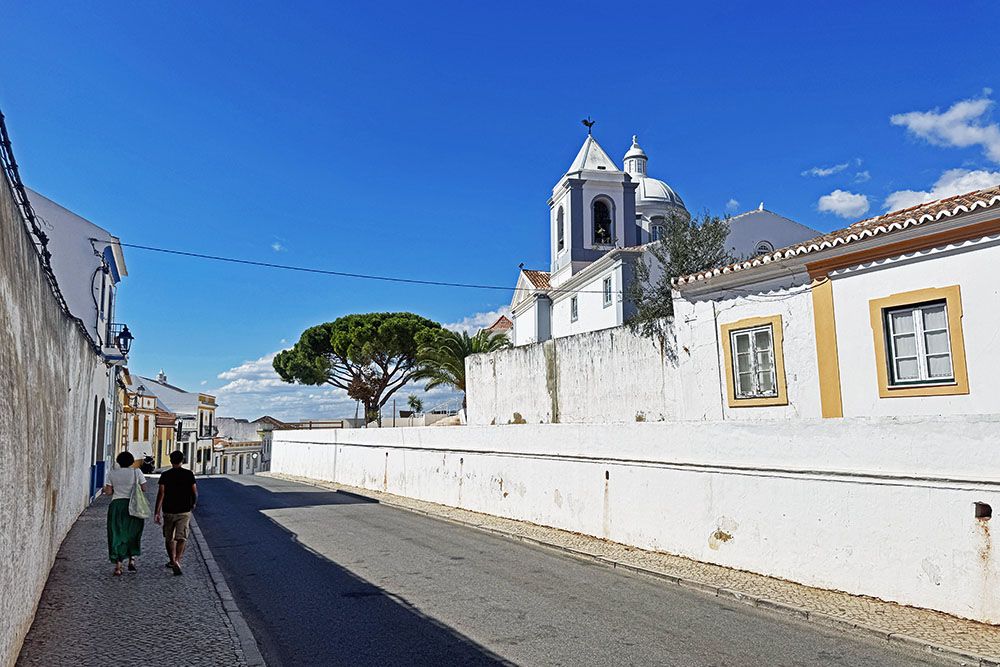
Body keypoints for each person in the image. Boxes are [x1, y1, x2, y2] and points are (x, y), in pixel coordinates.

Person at [103, 451, 148, 576]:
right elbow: (144, 488)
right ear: (131, 461)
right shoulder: (136, 472)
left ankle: (118, 565)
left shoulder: (112, 473)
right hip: (134, 506)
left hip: (117, 506)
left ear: (118, 461)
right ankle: (132, 559)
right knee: (133, 532)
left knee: (116, 533)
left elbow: (108, 492)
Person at [154, 450, 197, 576]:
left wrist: (157, 511)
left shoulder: (165, 475)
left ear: (171, 461)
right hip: (184, 510)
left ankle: (172, 560)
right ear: (182, 461)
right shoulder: (189, 474)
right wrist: (193, 503)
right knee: (182, 537)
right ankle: (178, 560)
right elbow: (194, 491)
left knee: (169, 538)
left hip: (169, 510)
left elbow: (161, 493)